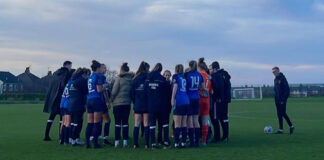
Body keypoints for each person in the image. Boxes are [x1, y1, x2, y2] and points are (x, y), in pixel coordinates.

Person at [43, 61, 73, 141]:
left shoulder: (56, 73)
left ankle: (46, 135)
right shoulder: (66, 73)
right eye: (70, 66)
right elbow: (64, 85)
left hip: (53, 99)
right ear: (68, 65)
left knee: (51, 117)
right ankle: (61, 136)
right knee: (62, 118)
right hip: (61, 98)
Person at [145, 63, 168, 149]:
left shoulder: (148, 77)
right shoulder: (162, 79)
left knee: (152, 124)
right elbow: (166, 93)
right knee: (164, 124)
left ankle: (153, 144)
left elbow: (145, 91)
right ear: (161, 70)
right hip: (161, 105)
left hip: (151, 104)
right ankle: (165, 142)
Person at [111, 63, 134, 148]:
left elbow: (114, 91)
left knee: (117, 123)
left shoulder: (119, 79)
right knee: (125, 123)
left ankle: (116, 142)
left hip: (118, 104)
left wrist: (111, 99)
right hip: (127, 104)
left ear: (122, 70)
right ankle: (125, 142)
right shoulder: (131, 79)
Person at [85, 60, 107, 149]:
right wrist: (106, 86)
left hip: (89, 100)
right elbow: (99, 89)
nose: (103, 69)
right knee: (96, 123)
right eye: (102, 67)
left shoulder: (90, 77)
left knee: (90, 123)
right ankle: (95, 143)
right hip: (97, 100)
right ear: (98, 68)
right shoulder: (99, 76)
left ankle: (87, 143)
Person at [210, 61, 231, 142]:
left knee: (216, 118)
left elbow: (218, 87)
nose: (210, 70)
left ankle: (217, 137)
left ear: (215, 69)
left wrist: (218, 97)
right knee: (224, 118)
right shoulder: (225, 74)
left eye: (210, 69)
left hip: (219, 100)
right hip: (225, 100)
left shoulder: (216, 75)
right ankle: (225, 136)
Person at [68, 68, 90, 146]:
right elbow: (86, 91)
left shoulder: (72, 81)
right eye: (87, 75)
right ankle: (75, 140)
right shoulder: (82, 81)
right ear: (84, 74)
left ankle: (71, 138)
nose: (87, 76)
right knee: (77, 123)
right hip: (78, 104)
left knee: (72, 123)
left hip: (71, 104)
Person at [131, 61, 150, 149]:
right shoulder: (148, 77)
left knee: (136, 124)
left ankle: (135, 144)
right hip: (146, 103)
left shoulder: (135, 78)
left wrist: (134, 102)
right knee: (146, 124)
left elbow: (132, 93)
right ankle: (146, 144)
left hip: (138, 103)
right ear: (146, 68)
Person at [185, 60, 204, 147]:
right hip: (197, 98)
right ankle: (197, 141)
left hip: (189, 98)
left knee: (190, 120)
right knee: (196, 120)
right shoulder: (199, 74)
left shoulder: (187, 74)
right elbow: (202, 87)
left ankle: (192, 142)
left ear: (189, 65)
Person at [171, 64, 190, 149]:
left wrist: (172, 98)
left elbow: (175, 86)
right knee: (184, 123)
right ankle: (183, 143)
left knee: (177, 124)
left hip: (179, 100)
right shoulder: (184, 77)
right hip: (186, 100)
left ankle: (176, 143)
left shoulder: (175, 76)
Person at [272, 67, 294, 134]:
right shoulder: (275, 79)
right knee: (279, 114)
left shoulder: (282, 78)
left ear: (278, 71)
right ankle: (281, 129)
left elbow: (287, 90)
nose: (274, 73)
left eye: (275, 71)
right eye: (273, 72)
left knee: (283, 113)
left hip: (282, 99)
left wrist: (283, 99)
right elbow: (276, 90)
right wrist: (276, 97)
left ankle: (291, 126)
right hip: (277, 99)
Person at [197, 58, 212, 146]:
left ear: (199, 67)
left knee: (195, 120)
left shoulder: (199, 75)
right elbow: (211, 90)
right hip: (207, 99)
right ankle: (204, 141)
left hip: (199, 98)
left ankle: (195, 139)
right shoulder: (209, 76)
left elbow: (198, 86)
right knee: (205, 121)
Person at [157, 70, 172, 148]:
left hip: (167, 106)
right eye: (166, 75)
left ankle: (166, 139)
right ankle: (159, 139)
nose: (167, 77)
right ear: (163, 75)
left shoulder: (171, 84)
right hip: (160, 106)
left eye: (168, 75)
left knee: (166, 124)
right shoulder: (161, 84)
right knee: (160, 124)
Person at [100, 64, 113, 145]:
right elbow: (104, 91)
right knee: (107, 120)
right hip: (101, 102)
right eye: (104, 68)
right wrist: (107, 101)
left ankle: (94, 136)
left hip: (94, 102)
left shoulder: (94, 77)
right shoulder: (101, 77)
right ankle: (105, 139)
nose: (106, 69)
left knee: (98, 120)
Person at [59, 78, 73, 145]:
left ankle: (61, 139)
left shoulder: (67, 83)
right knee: (68, 122)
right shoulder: (72, 83)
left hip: (62, 103)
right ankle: (66, 140)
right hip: (67, 104)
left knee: (63, 122)